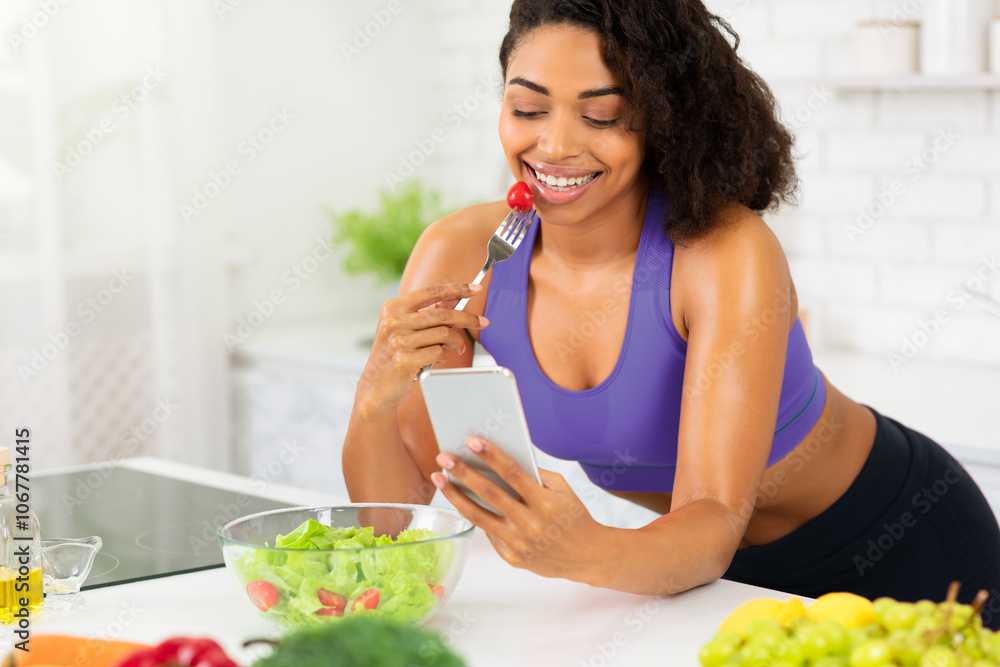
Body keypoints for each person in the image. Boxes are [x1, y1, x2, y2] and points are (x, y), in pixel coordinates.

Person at [342, 0, 1000, 627]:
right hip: (713, 580)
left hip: (897, 542)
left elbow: (712, 520)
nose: (555, 146)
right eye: (528, 108)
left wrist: (583, 548)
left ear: (662, 118)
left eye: (601, 117)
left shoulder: (723, 253)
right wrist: (377, 393)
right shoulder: (462, 254)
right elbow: (395, 521)